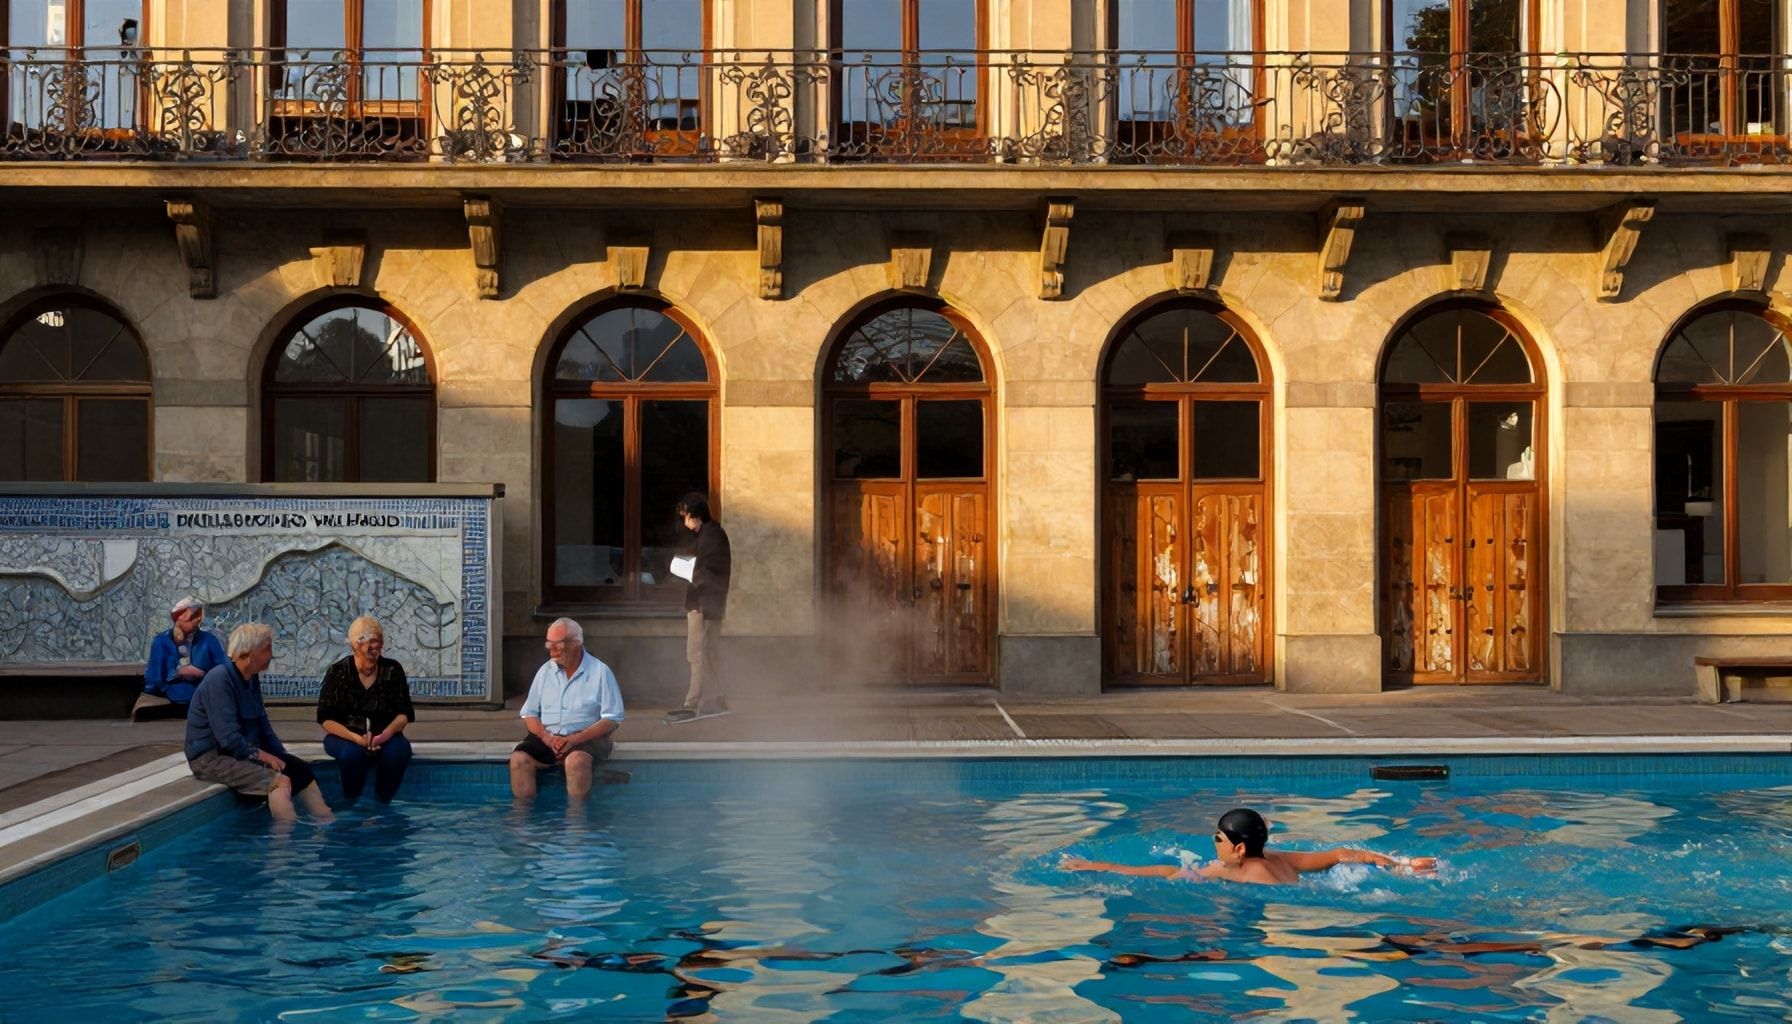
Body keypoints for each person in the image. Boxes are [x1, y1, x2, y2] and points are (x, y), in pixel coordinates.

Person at [185, 622, 333, 823]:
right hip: (212, 758)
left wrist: (281, 756)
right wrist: (262, 756)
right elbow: (228, 738)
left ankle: (324, 821)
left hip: (241, 752)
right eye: (266, 649)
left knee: (300, 769)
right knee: (279, 782)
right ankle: (282, 845)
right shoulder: (219, 680)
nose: (271, 655)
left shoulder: (251, 679)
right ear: (247, 654)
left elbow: (263, 725)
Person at [1061, 808, 1436, 886]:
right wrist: (1398, 865)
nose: (1213, 843)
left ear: (1239, 849)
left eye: (1218, 839)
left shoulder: (1237, 873)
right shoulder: (1280, 858)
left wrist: (1102, 867)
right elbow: (1341, 853)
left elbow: (1169, 873)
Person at [510, 617, 624, 800]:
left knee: (576, 761)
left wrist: (574, 739)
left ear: (576, 644)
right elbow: (529, 713)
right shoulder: (545, 671)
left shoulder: (600, 672)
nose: (552, 650)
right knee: (519, 759)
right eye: (549, 644)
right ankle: (524, 819)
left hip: (585, 737)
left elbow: (612, 719)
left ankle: (576, 821)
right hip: (548, 736)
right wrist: (547, 738)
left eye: (558, 644)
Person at [316, 615, 415, 804]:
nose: (373, 647)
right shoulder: (338, 672)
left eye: (376, 641)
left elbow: (404, 714)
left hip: (385, 735)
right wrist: (356, 739)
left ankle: (382, 801)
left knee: (398, 752)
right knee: (351, 755)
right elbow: (326, 719)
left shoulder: (392, 670)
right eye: (367, 642)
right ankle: (352, 802)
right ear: (355, 645)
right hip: (346, 736)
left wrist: (384, 736)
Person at [667, 492, 731, 723]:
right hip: (710, 604)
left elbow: (709, 573)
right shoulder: (711, 534)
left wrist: (686, 571)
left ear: (697, 515)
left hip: (703, 604)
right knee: (710, 652)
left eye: (687, 516)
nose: (686, 522)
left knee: (697, 653)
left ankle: (692, 703)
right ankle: (718, 699)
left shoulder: (711, 536)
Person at [137, 596, 227, 719]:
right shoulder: (161, 642)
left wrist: (203, 674)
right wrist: (177, 673)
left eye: (199, 615)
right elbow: (154, 678)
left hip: (204, 691)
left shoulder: (208, 640)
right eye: (193, 616)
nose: (198, 620)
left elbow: (223, 668)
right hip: (177, 693)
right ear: (178, 619)